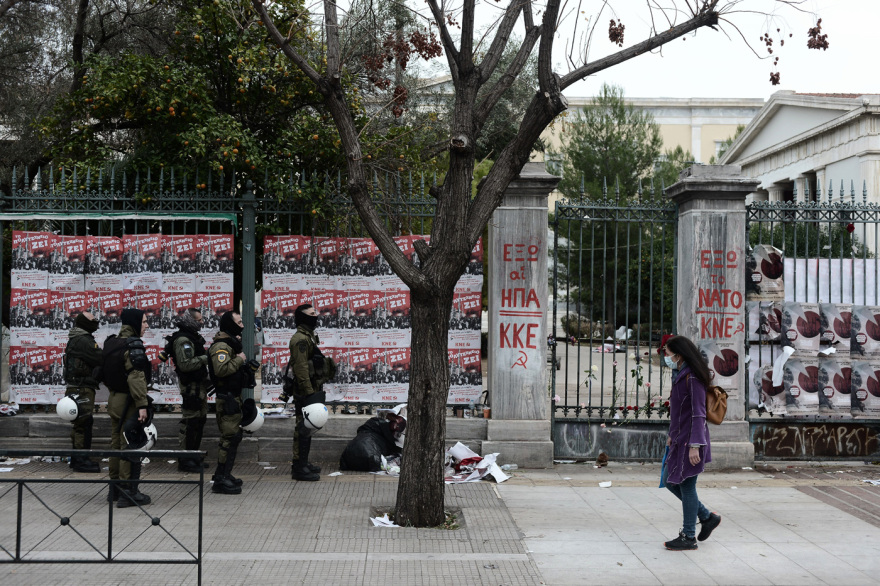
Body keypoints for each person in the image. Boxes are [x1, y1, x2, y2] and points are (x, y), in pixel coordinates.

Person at [661, 335, 721, 550]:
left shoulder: (692, 378)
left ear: (679, 354)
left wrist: (695, 445)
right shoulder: (680, 374)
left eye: (667, 353)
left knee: (687, 486)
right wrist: (671, 433)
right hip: (679, 439)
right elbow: (679, 411)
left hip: (690, 442)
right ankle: (706, 516)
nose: (665, 357)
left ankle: (688, 536)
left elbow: (698, 413)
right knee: (670, 480)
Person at [103, 308, 153, 508]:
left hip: (115, 399)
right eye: (143, 322)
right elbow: (136, 377)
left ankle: (114, 489)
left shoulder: (112, 342)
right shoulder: (134, 346)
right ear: (133, 323)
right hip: (129, 402)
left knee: (116, 444)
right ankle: (128, 491)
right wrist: (142, 404)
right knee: (130, 444)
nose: (146, 325)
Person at [207, 311, 259, 495]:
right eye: (239, 322)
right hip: (227, 399)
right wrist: (240, 359)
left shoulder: (230, 344)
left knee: (234, 437)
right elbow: (221, 369)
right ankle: (220, 480)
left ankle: (225, 474)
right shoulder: (221, 346)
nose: (242, 325)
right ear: (230, 324)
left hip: (233, 397)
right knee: (229, 438)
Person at [284, 303, 335, 481]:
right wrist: (308, 393)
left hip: (311, 388)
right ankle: (298, 467)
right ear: (304, 317)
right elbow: (301, 368)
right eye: (312, 314)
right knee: (302, 428)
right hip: (305, 390)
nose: (316, 316)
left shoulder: (309, 336)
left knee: (309, 425)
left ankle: (304, 463)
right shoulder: (300, 339)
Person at [164, 308, 210, 473]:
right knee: (190, 422)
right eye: (198, 320)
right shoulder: (183, 339)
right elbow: (186, 364)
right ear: (190, 321)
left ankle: (194, 456)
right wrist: (207, 358)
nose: (202, 322)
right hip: (191, 387)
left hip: (198, 385)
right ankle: (185, 460)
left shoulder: (192, 337)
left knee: (199, 421)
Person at [63, 311, 103, 473]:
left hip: (77, 386)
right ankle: (81, 460)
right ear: (84, 323)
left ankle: (77, 458)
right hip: (82, 387)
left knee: (80, 423)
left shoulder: (76, 338)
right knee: (83, 424)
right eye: (93, 320)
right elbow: (99, 358)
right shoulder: (84, 340)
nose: (96, 322)